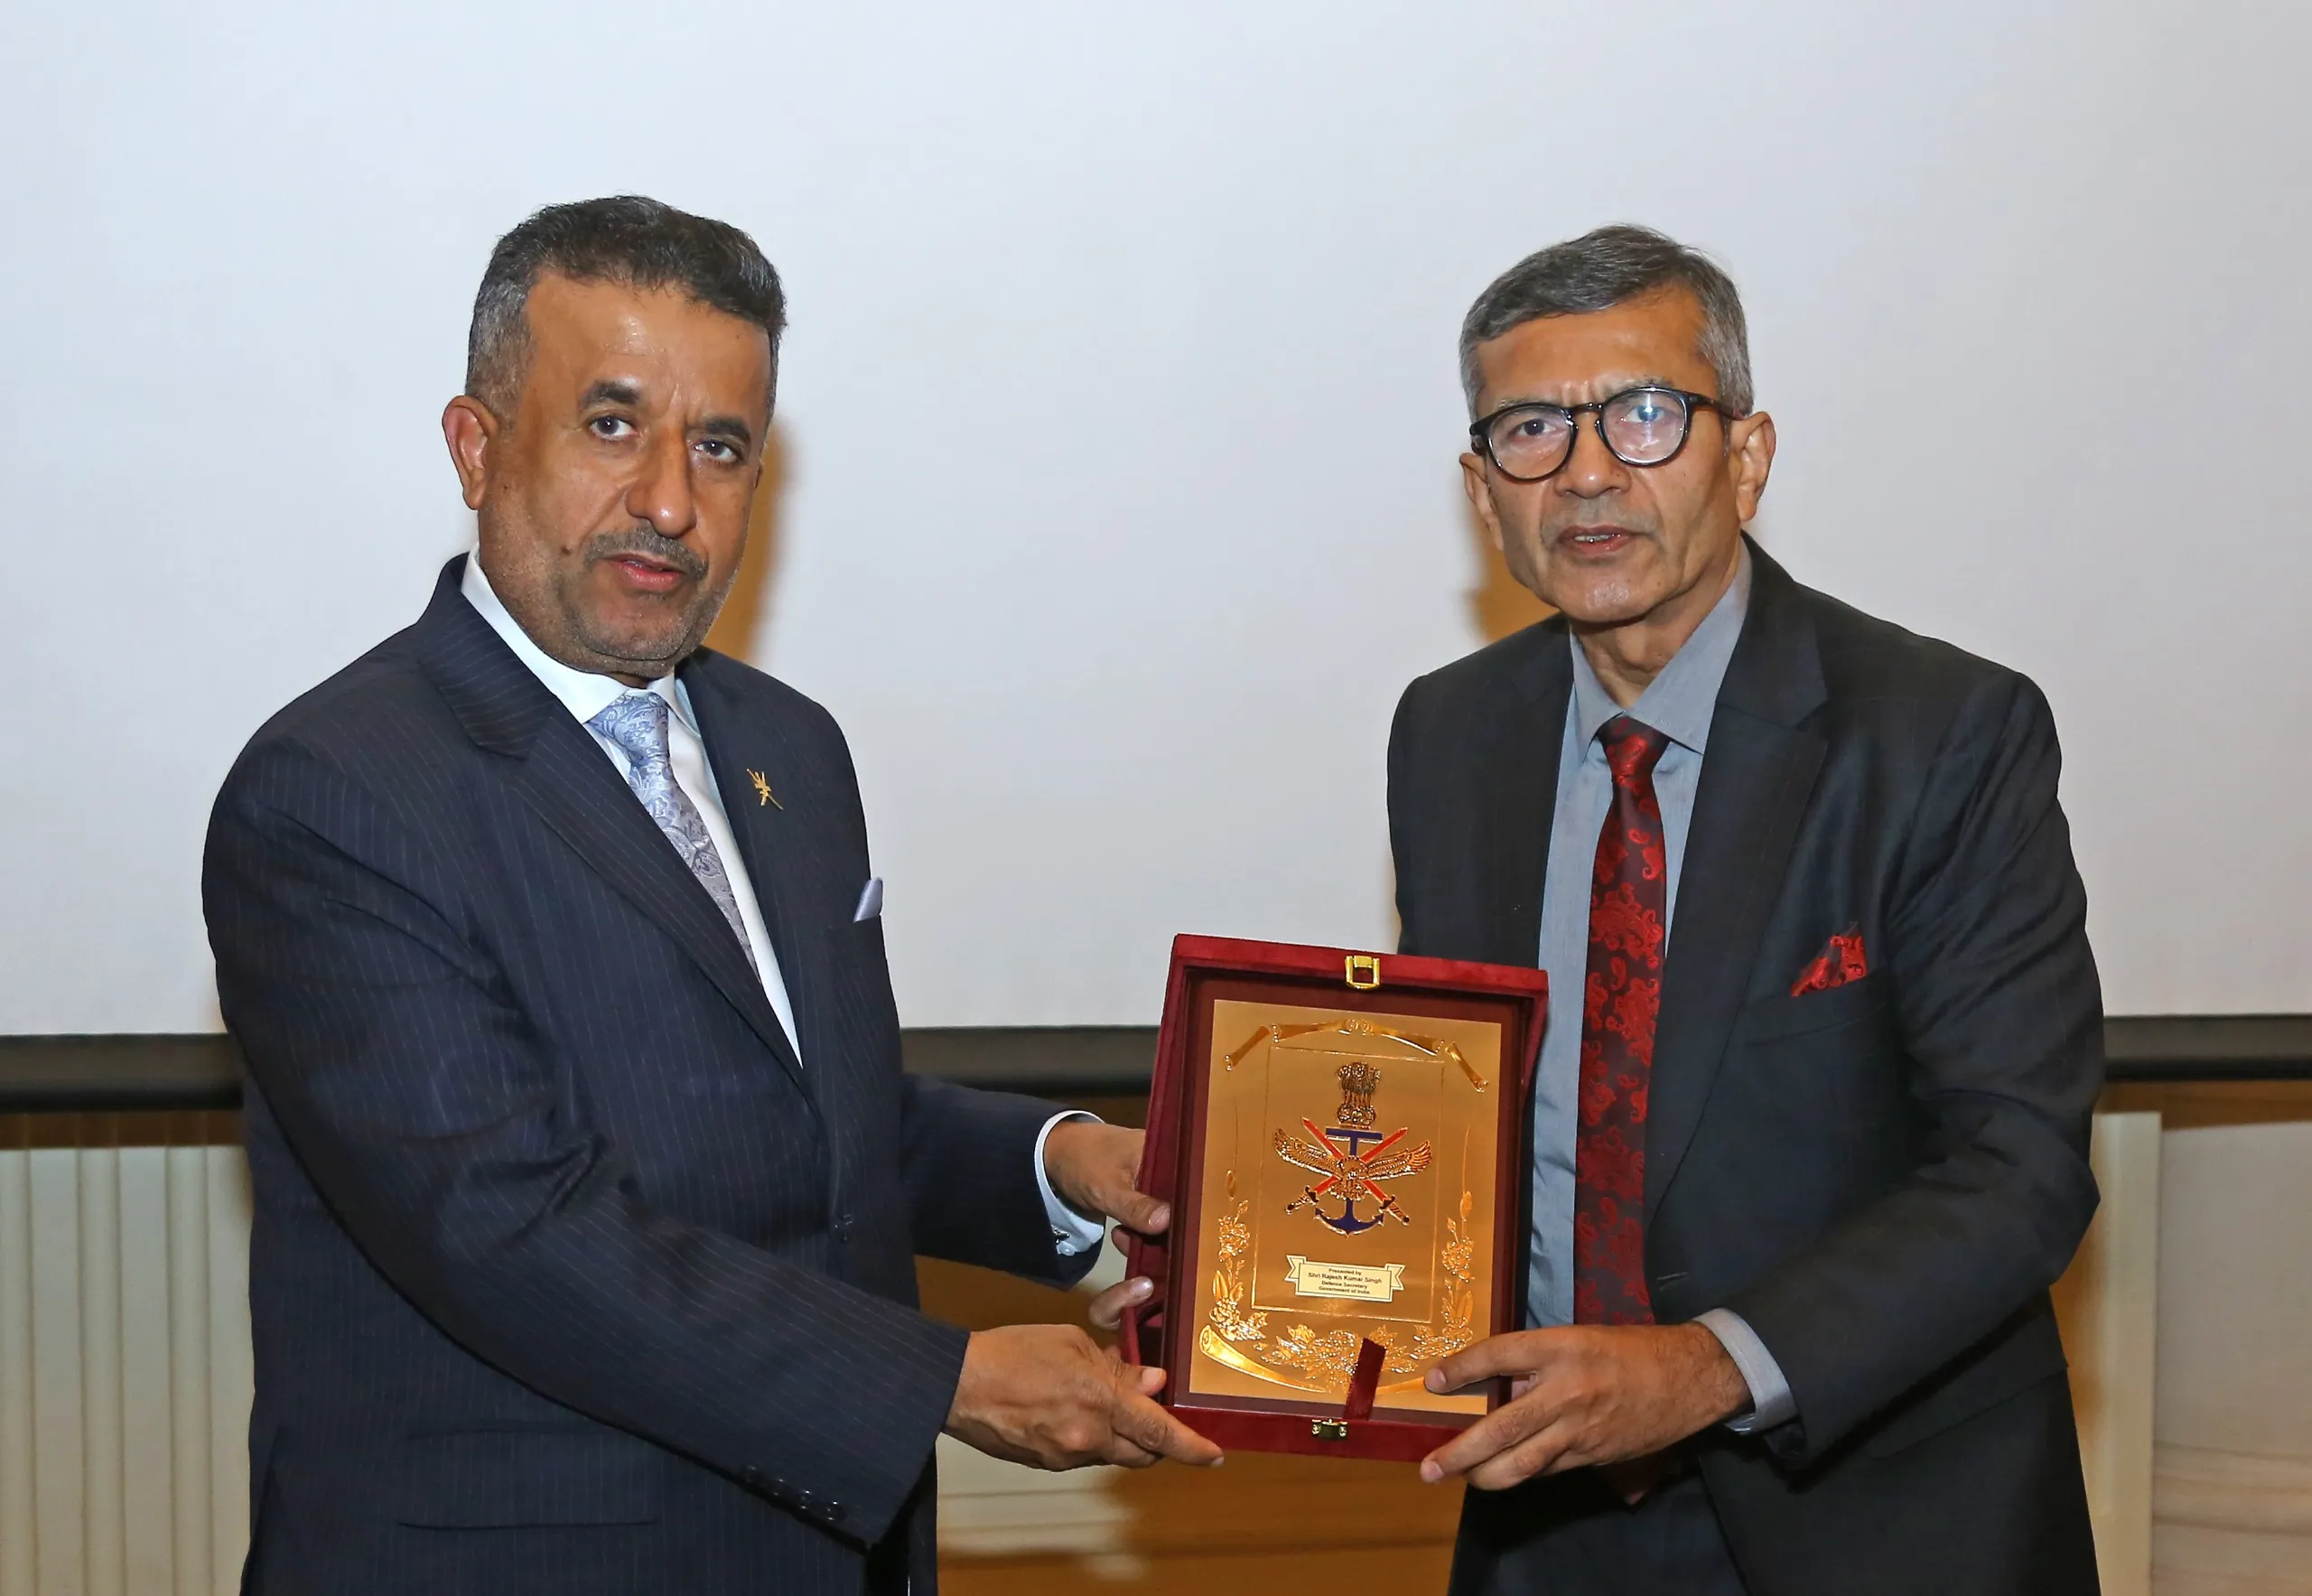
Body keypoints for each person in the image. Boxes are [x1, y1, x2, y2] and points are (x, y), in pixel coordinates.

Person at [202, 195, 1217, 1596]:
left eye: (721, 446)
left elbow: (809, 1118)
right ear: (476, 444)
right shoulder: (336, 791)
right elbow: (517, 1231)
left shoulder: (785, 744)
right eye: (612, 425)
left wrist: (1056, 1165)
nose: (672, 501)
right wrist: (940, 1379)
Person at [1386, 226, 2103, 1594]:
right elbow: (1459, 1105)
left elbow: (2019, 1166)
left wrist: (1707, 1367)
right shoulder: (1449, 733)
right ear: (1486, 497)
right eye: (1533, 429)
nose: (1588, 472)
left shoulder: (1944, 731)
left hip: (1875, 1512)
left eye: (1646, 416)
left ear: (1749, 456)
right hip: (1544, 1516)